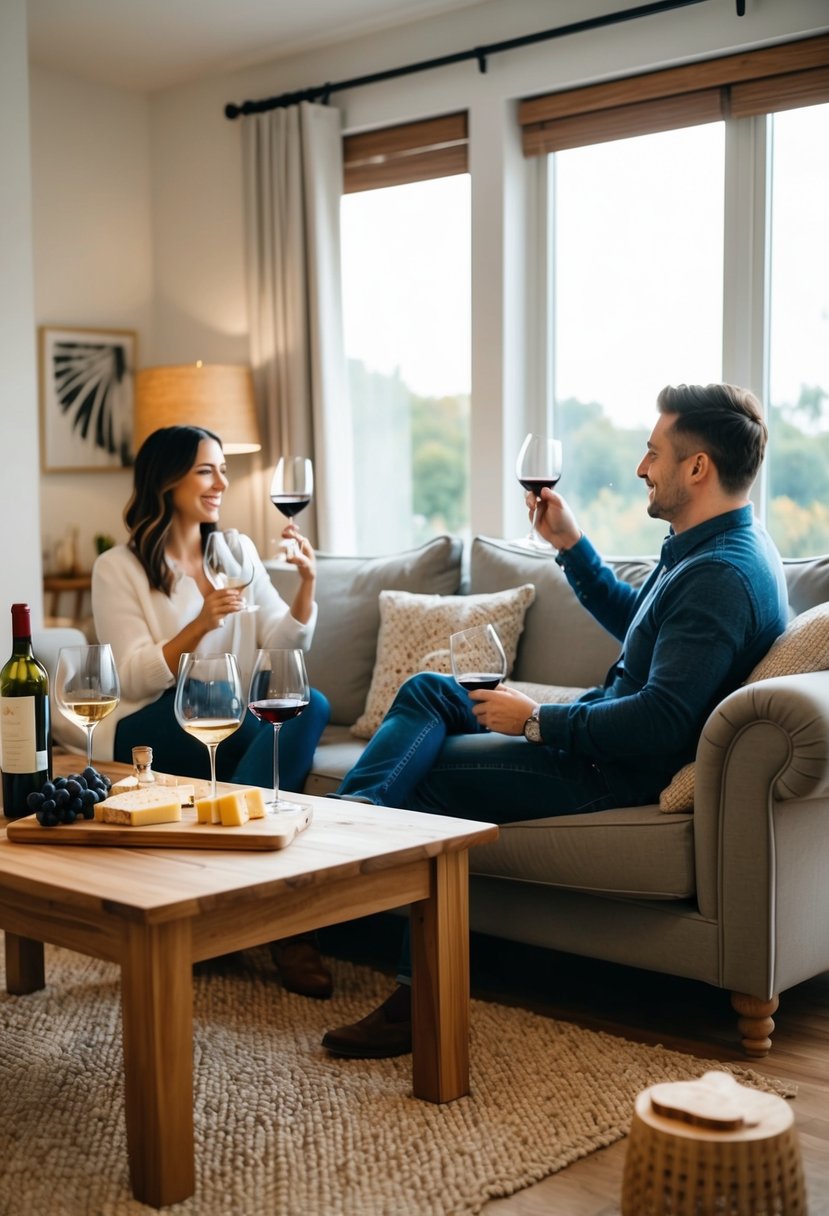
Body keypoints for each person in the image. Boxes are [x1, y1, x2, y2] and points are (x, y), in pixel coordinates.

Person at [322, 382, 789, 1058]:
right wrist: (569, 545)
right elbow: (643, 627)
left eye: (652, 453)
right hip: (593, 732)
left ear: (697, 468)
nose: (639, 468)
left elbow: (660, 720)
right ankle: (348, 833)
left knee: (426, 785)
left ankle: (412, 1000)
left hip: (608, 765)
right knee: (429, 691)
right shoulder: (709, 547)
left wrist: (538, 721)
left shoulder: (720, 572)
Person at [89, 424, 333, 998]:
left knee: (309, 703)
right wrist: (200, 622)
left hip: (230, 713)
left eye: (222, 468)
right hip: (145, 725)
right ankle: (287, 930)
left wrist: (307, 583)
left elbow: (282, 645)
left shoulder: (237, 550)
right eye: (206, 469)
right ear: (167, 479)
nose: (221, 481)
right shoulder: (117, 568)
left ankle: (233, 883)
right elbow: (130, 676)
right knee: (242, 710)